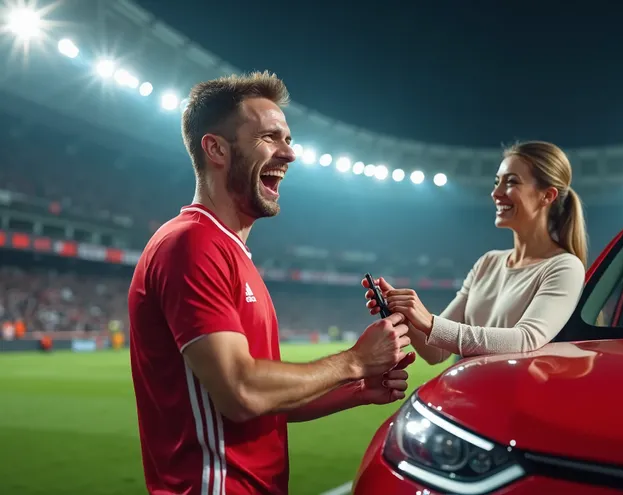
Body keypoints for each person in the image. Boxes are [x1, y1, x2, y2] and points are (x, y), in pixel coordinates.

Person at [128, 71, 415, 495]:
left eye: (289, 139)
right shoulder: (192, 243)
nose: (290, 154)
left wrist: (356, 389)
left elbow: (264, 402)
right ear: (216, 149)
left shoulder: (230, 252)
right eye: (270, 138)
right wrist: (353, 360)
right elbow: (241, 391)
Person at [364, 140, 587, 365]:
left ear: (547, 196)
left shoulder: (564, 267)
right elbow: (436, 352)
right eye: (496, 182)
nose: (496, 193)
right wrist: (406, 314)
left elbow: (526, 339)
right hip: (468, 396)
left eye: (511, 182)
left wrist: (430, 322)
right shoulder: (488, 262)